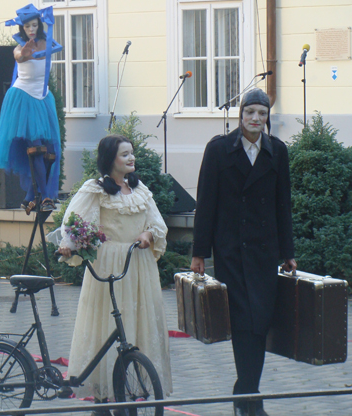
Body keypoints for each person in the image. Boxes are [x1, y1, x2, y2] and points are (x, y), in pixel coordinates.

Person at [190, 88, 297, 416]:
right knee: (243, 322)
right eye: (250, 112)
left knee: (259, 322)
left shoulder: (277, 151)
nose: (255, 118)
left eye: (262, 113)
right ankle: (251, 400)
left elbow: (283, 204)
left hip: (265, 251)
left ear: (267, 118)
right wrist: (199, 253)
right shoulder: (219, 149)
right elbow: (206, 203)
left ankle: (245, 393)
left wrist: (288, 252)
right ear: (241, 114)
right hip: (231, 250)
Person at [58, 135, 172, 415]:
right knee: (106, 326)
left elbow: (157, 224)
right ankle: (102, 395)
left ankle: (131, 386)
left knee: (139, 324)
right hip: (109, 265)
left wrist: (148, 235)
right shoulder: (95, 190)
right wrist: (68, 245)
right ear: (110, 159)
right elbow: (75, 223)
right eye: (124, 154)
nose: (131, 158)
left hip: (138, 264)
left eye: (132, 153)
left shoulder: (140, 189)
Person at [0, 4, 61, 214]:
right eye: (27, 26)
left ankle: (30, 196)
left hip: (43, 98)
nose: (31, 29)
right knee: (36, 149)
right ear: (22, 28)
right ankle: (45, 197)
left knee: (51, 152)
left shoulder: (49, 42)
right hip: (23, 98)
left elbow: (50, 52)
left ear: (39, 24)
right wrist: (24, 54)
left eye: (34, 25)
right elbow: (19, 56)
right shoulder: (19, 46)